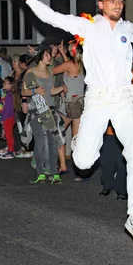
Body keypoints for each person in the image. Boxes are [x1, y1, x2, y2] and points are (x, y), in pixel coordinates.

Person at [7, 0, 133, 247]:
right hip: (98, 101)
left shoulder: (129, 29)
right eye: (112, 0)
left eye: (120, 1)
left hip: (123, 99)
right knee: (82, 163)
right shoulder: (88, 26)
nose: (118, 4)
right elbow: (51, 16)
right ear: (101, 5)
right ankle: (81, 142)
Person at [21, 44, 67, 184]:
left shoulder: (50, 72)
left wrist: (61, 88)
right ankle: (40, 172)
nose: (50, 57)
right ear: (40, 57)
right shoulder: (31, 72)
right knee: (40, 143)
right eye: (46, 54)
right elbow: (24, 92)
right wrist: (34, 91)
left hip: (50, 109)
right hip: (37, 110)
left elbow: (50, 90)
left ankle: (53, 172)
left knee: (53, 142)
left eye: (50, 54)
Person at [52, 42, 86, 173]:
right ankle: (80, 168)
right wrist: (62, 53)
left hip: (69, 104)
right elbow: (69, 68)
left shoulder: (70, 65)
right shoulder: (81, 64)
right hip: (79, 103)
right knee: (76, 137)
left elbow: (51, 71)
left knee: (57, 132)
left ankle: (63, 165)